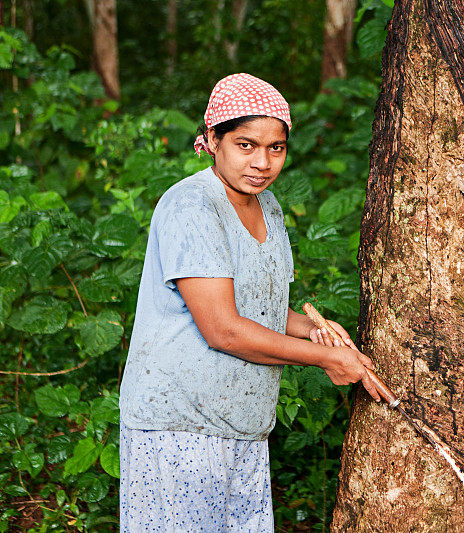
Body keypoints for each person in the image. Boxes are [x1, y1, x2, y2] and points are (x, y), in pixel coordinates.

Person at [118, 73, 380, 532]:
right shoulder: (192, 207)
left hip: (243, 426)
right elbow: (224, 328)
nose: (262, 162)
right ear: (212, 140)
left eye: (275, 148)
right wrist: (323, 360)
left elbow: (261, 312)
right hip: (180, 427)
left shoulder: (270, 207)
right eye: (246, 145)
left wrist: (317, 332)